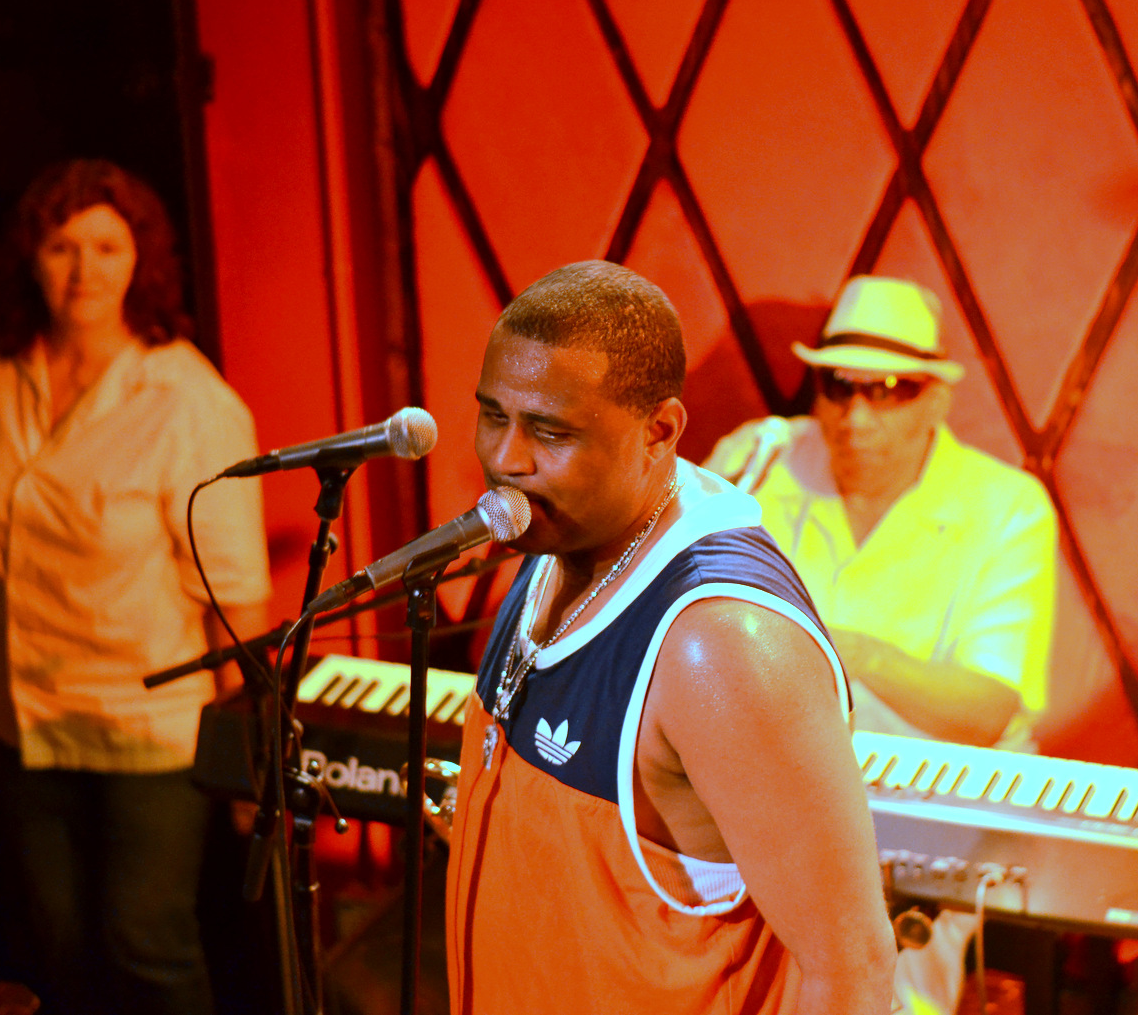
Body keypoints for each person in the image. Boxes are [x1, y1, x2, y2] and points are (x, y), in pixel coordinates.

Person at [445, 260, 895, 1014]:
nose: (506, 459)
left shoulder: (723, 647)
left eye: (550, 430)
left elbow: (851, 967)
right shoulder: (559, 531)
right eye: (494, 415)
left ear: (659, 431)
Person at [0, 159, 272, 1015]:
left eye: (108, 246)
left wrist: (249, 752)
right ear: (29, 258)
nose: (85, 269)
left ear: (141, 259)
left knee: (143, 942)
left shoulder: (188, 397)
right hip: (20, 712)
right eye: (62, 244)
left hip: (149, 723)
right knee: (55, 946)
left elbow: (235, 595)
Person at [705, 275, 1059, 1015]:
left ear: (935, 397)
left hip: (936, 797)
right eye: (838, 386)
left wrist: (846, 650)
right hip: (779, 773)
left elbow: (987, 710)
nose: (856, 415)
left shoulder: (1005, 508)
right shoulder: (760, 462)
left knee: (878, 967)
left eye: (889, 389)